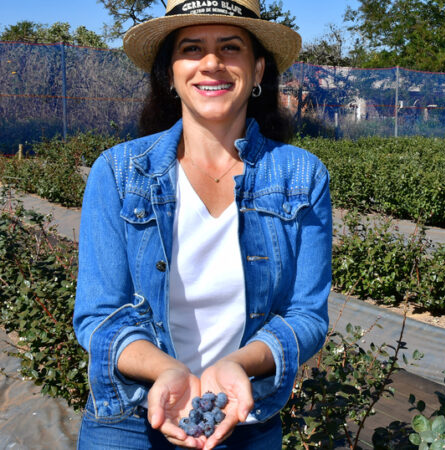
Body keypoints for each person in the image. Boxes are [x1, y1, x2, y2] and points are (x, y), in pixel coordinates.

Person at [72, 1, 331, 448]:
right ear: (171, 73)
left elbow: (307, 316)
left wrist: (239, 364)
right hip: (131, 420)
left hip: (245, 416)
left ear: (257, 69)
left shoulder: (302, 176)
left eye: (230, 47)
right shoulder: (118, 173)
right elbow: (98, 316)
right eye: (192, 48)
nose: (211, 63)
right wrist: (165, 370)